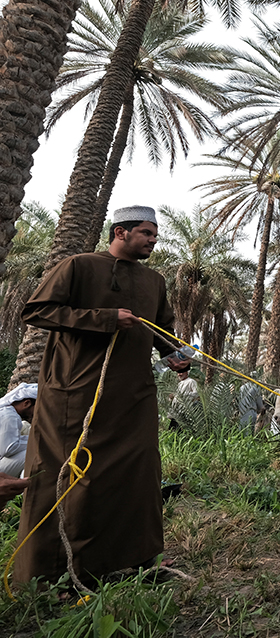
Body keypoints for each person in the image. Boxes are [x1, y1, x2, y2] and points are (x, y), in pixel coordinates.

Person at [15, 205, 182, 585]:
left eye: (155, 234)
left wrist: (173, 354)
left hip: (134, 397)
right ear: (120, 232)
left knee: (137, 476)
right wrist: (106, 319)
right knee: (69, 479)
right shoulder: (79, 266)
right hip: (75, 395)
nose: (153, 240)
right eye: (146, 233)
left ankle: (137, 561)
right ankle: (51, 577)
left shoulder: (154, 281)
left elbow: (163, 329)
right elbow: (37, 310)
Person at [0, 383, 35, 477]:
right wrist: (36, 441)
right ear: (27, 403)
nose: (35, 414)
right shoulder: (9, 415)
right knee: (37, 451)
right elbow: (8, 449)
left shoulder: (5, 411)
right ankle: (26, 488)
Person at [168, 363, 198, 430]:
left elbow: (197, 394)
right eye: (178, 373)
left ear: (187, 372)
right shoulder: (180, 383)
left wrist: (184, 396)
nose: (179, 374)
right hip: (177, 411)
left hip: (186, 411)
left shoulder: (191, 381)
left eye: (181, 372)